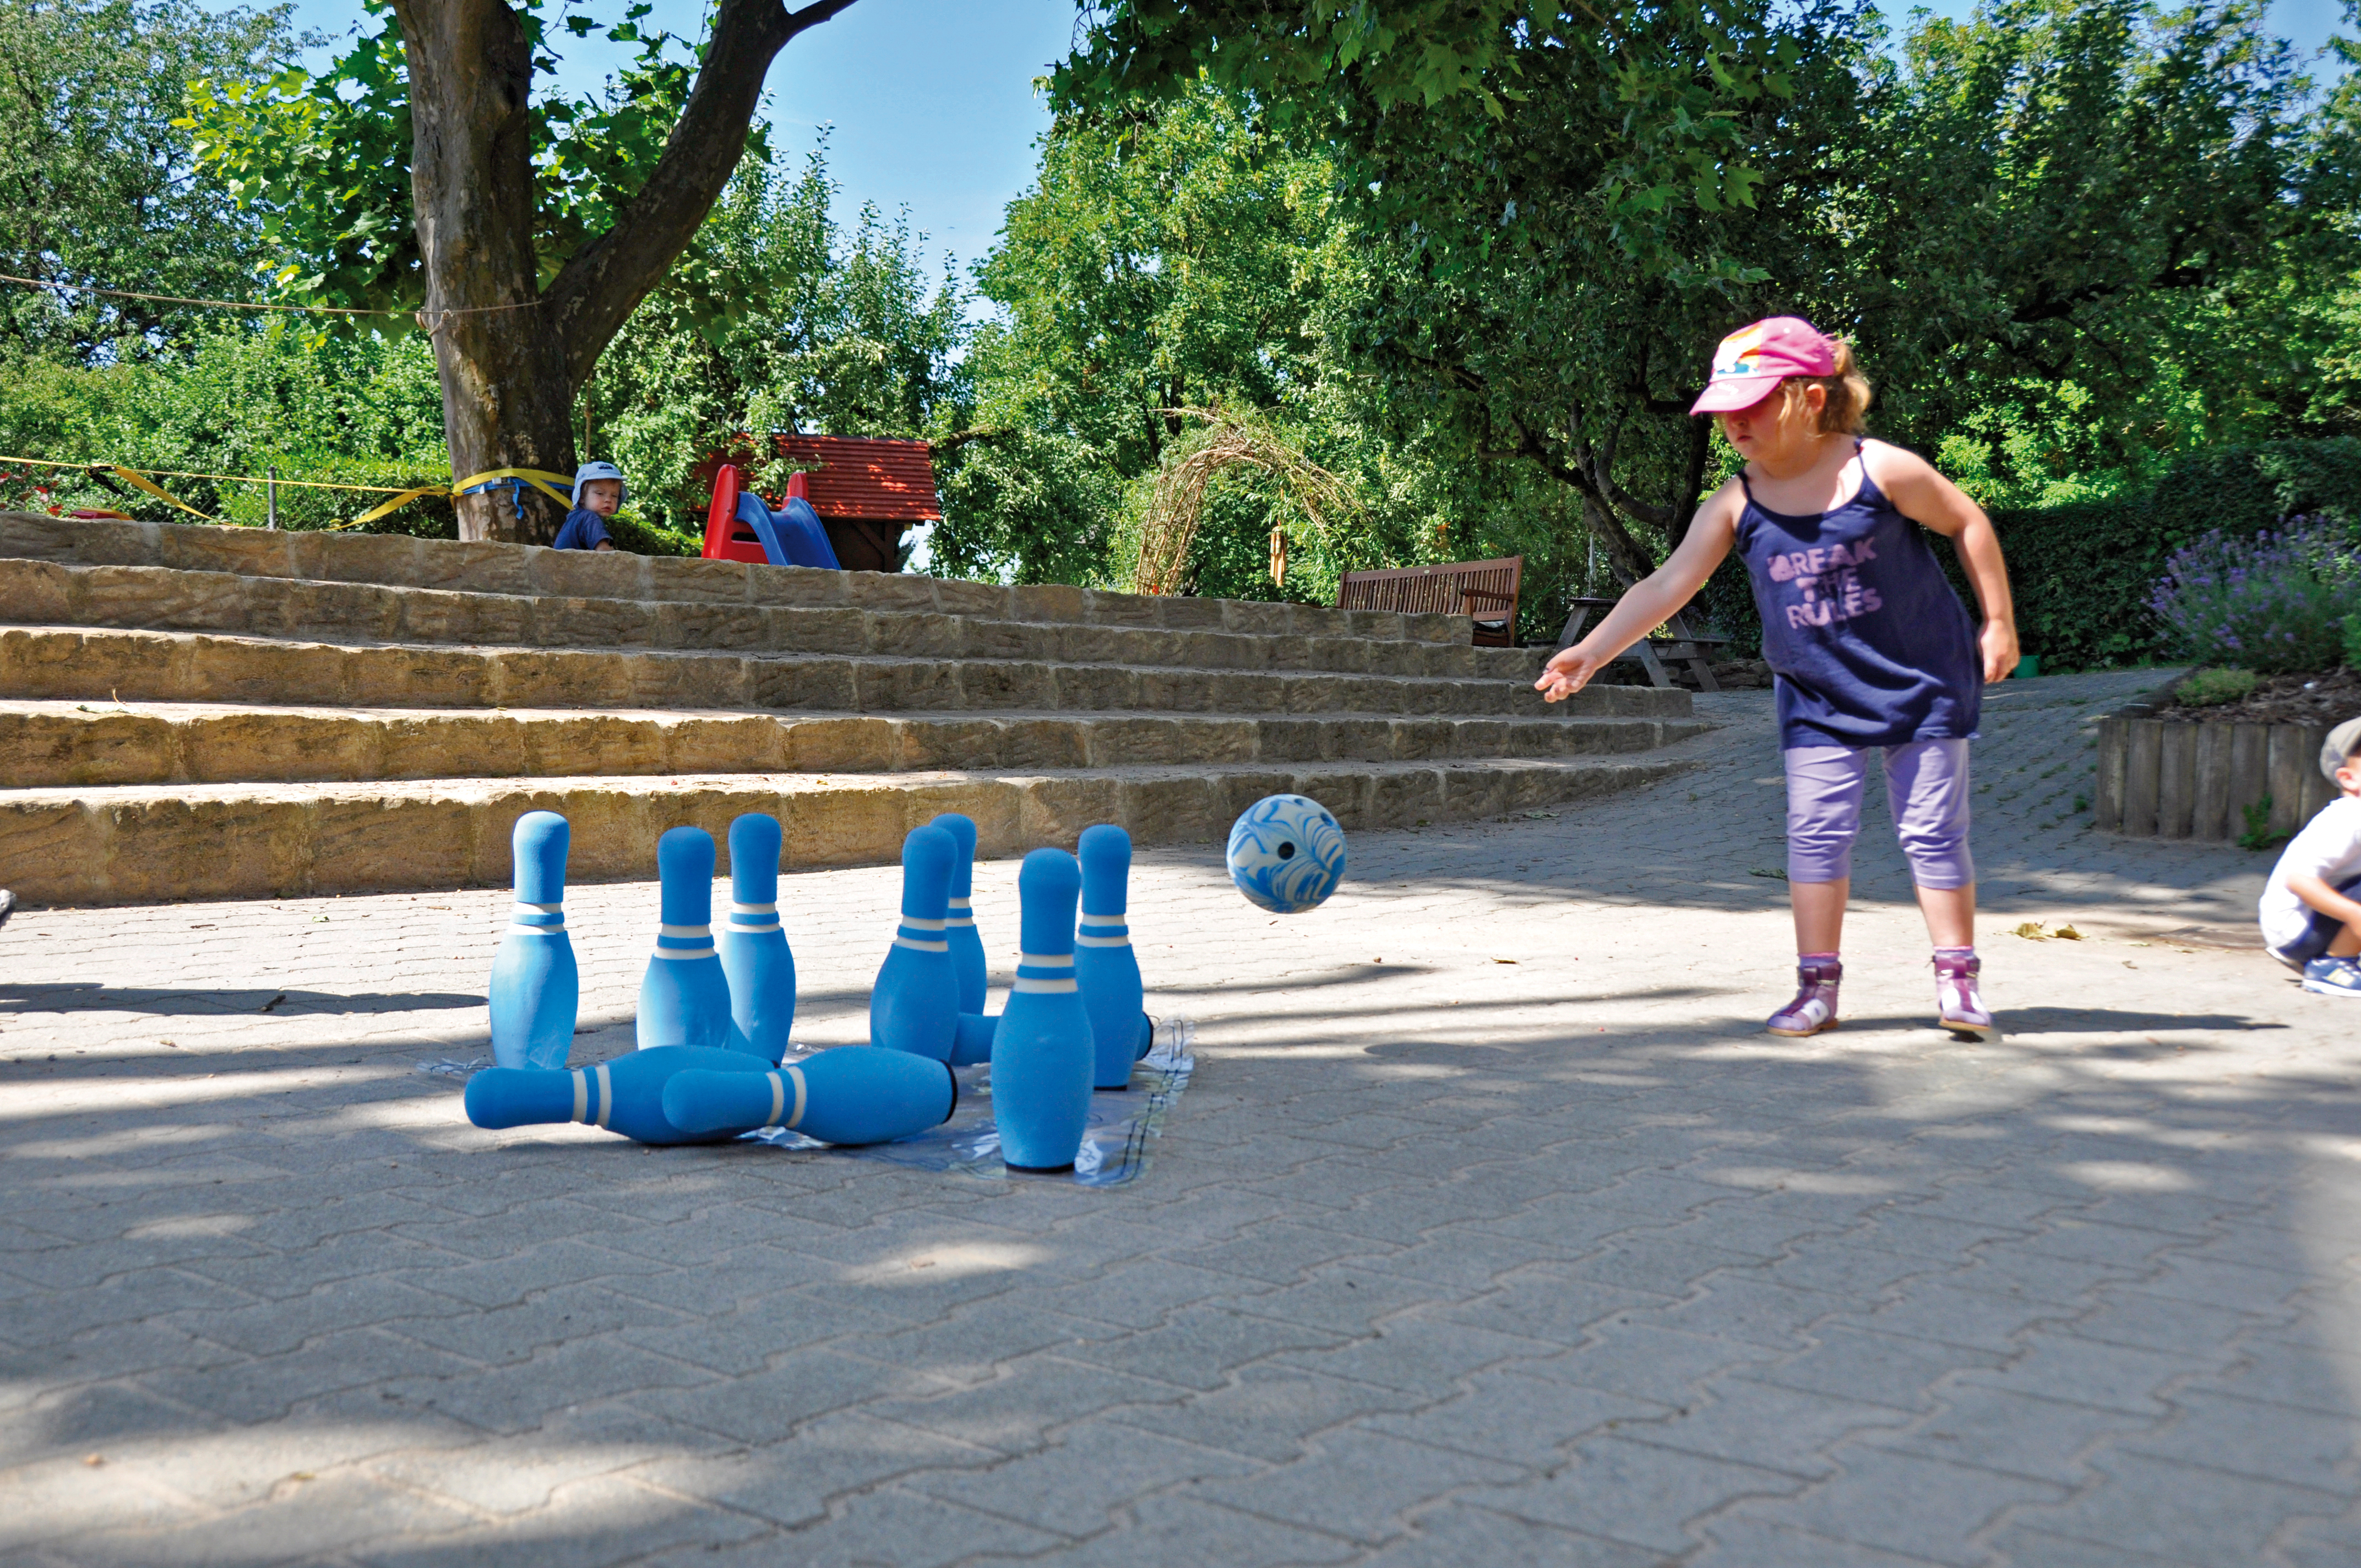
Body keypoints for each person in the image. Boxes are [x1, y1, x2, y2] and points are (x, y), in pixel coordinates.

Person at [1537, 315, 2019, 1040]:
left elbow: (1967, 521)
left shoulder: (1878, 470)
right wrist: (1595, 651)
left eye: (1752, 403)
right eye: (1724, 408)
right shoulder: (1736, 503)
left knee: (1931, 832)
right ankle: (1816, 988)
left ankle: (1959, 984)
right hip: (1818, 695)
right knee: (1817, 834)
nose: (1733, 422)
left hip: (1922, 680)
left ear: (1811, 399)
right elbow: (1668, 586)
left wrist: (2000, 621)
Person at [2260, 716, 2361, 997]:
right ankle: (2332, 966)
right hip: (2296, 927)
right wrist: (2355, 915)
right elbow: (2299, 880)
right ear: (2348, 778)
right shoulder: (2348, 819)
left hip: (2316, 922)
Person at [553, 461, 624, 551]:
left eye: (614, 496)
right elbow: (605, 552)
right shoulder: (589, 517)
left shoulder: (577, 518)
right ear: (582, 497)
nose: (608, 500)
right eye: (600, 493)